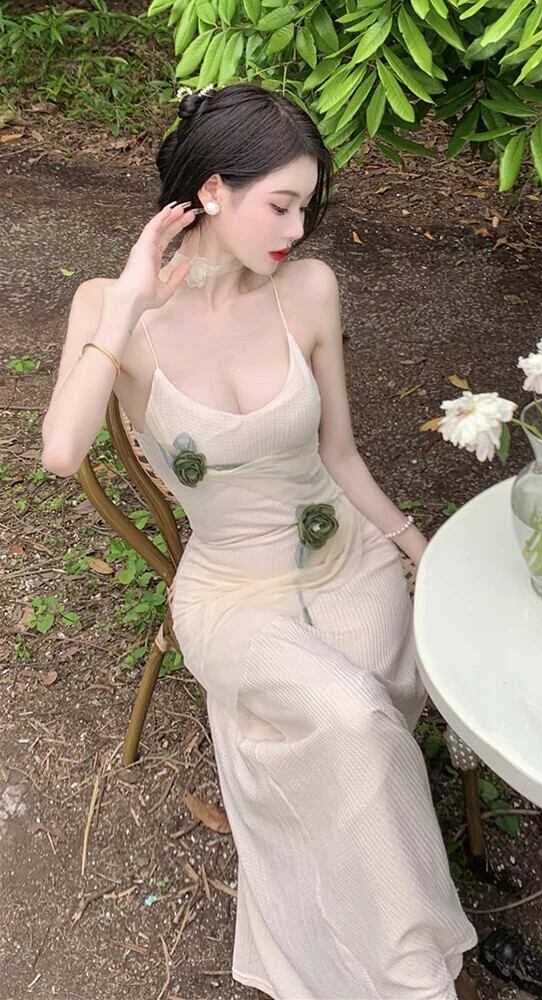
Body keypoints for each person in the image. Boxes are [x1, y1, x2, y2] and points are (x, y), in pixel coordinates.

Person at [41, 82, 480, 1000]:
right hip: (233, 591)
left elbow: (340, 454)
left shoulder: (308, 289)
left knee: (362, 710)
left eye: (306, 207)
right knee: (350, 716)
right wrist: (128, 306)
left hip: (346, 559)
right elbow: (62, 452)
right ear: (211, 191)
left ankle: (354, 898)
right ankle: (414, 977)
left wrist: (419, 547)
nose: (297, 228)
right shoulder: (110, 306)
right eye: (279, 205)